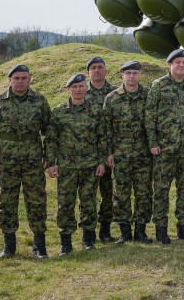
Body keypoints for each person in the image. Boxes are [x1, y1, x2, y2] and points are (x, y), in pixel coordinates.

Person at [0, 64, 51, 259]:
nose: (20, 81)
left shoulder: (39, 101)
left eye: (24, 78)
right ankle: (9, 244)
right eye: (16, 78)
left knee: (37, 200)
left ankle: (39, 245)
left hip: (33, 159)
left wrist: (49, 156)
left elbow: (49, 130)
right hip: (6, 160)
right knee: (7, 201)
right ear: (9, 80)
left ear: (30, 80)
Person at [146, 48, 184, 244]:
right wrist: (153, 142)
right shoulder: (158, 86)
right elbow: (150, 116)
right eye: (177, 62)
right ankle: (161, 228)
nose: (181, 65)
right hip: (164, 148)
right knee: (162, 189)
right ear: (169, 65)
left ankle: (183, 225)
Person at [46, 73, 107, 255]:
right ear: (68, 89)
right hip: (67, 165)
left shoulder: (96, 111)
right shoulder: (58, 112)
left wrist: (102, 162)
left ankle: (88, 238)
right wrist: (51, 163)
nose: (78, 89)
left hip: (89, 164)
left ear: (86, 88)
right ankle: (66, 242)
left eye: (81, 86)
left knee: (88, 201)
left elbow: (102, 138)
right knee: (65, 203)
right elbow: (51, 140)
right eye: (74, 87)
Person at [102, 60, 154, 244]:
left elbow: (154, 124)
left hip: (143, 152)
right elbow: (106, 128)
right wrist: (108, 152)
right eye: (128, 73)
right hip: (120, 153)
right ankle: (124, 231)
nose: (132, 76)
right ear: (122, 76)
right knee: (120, 193)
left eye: (135, 73)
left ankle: (140, 230)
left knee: (144, 192)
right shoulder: (112, 98)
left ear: (140, 75)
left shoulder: (149, 95)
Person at [84, 56, 117, 242]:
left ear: (106, 71)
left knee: (108, 193)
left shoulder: (114, 92)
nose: (97, 70)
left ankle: (105, 230)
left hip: (111, 151)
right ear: (88, 72)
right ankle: (88, 232)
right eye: (93, 68)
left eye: (100, 67)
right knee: (88, 194)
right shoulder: (81, 91)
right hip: (87, 152)